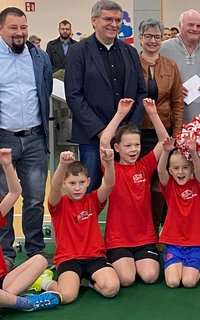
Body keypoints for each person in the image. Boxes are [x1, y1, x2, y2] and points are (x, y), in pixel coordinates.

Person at [65, 0, 147, 194]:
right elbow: (74, 95)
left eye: (118, 20)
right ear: (94, 21)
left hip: (125, 140)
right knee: (89, 190)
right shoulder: (78, 52)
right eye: (108, 19)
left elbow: (141, 92)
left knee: (127, 192)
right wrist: (102, 132)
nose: (114, 24)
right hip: (92, 138)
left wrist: (129, 131)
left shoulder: (130, 52)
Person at [160, 9, 200, 240]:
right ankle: (170, 218)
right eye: (190, 25)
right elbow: (158, 77)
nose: (195, 29)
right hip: (175, 123)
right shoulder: (166, 48)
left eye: (198, 25)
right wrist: (173, 87)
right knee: (174, 172)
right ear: (180, 26)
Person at [0, 7, 53, 271]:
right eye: (13, 28)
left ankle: (36, 251)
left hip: (34, 139)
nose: (20, 33)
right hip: (3, 140)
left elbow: (46, 92)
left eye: (23, 27)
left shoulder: (39, 57)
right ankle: (5, 254)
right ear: (1, 29)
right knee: (4, 201)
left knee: (34, 199)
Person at [99, 98, 168, 287]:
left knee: (150, 276)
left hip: (144, 237)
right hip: (118, 239)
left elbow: (164, 141)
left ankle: (138, 259)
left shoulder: (144, 166)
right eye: (128, 146)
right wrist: (120, 113)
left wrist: (153, 114)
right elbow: (104, 139)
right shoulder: (111, 167)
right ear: (117, 148)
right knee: (127, 279)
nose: (133, 150)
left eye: (136, 145)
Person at [40, 149, 120, 304]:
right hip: (68, 258)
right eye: (72, 183)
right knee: (67, 296)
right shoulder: (59, 204)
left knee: (111, 288)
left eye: (81, 183)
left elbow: (109, 184)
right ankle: (44, 281)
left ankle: (87, 282)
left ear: (88, 182)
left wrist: (109, 163)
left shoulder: (93, 201)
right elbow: (54, 188)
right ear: (65, 183)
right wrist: (63, 165)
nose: (77, 188)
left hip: (94, 256)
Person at [137, 18, 184, 238]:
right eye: (148, 36)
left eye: (157, 36)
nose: (153, 41)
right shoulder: (132, 64)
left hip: (163, 134)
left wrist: (176, 135)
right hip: (138, 134)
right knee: (140, 185)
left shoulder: (171, 66)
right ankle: (142, 229)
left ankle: (162, 228)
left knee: (162, 183)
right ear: (140, 39)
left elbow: (177, 102)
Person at [0, 148, 61, 312]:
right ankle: (24, 303)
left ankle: (7, 300)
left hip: (4, 283)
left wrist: (7, 165)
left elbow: (15, 192)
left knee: (40, 260)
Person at [157, 137, 200, 288]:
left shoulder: (197, 185)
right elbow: (160, 170)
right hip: (174, 244)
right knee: (172, 282)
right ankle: (178, 262)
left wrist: (193, 152)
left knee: (188, 282)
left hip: (194, 243)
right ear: (171, 171)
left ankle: (199, 265)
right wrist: (166, 151)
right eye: (176, 168)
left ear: (191, 169)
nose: (180, 172)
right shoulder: (169, 186)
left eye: (185, 167)